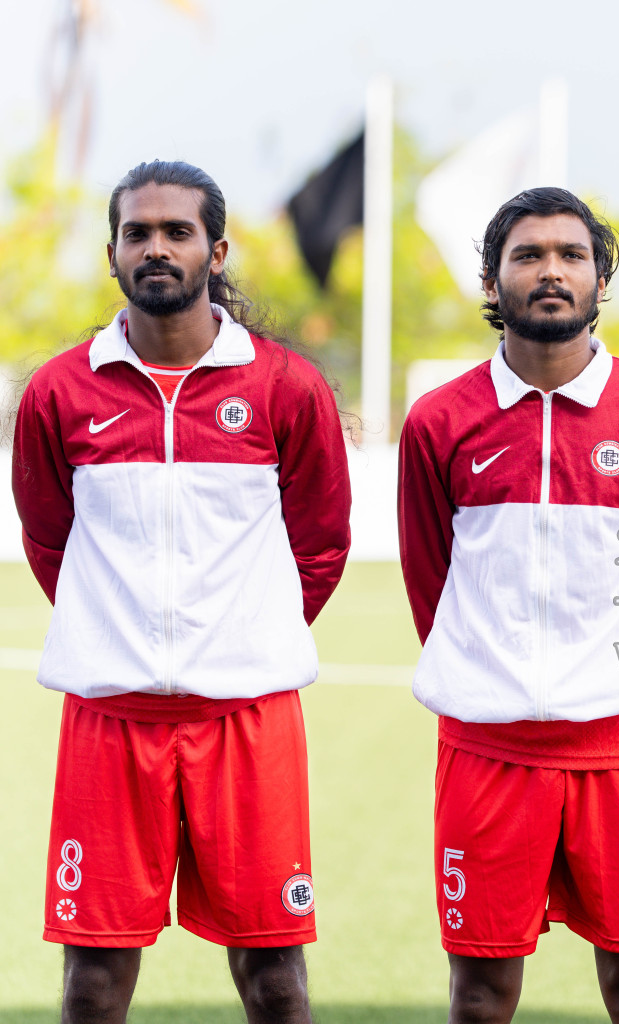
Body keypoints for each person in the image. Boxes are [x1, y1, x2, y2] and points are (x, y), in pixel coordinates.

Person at [11, 160, 352, 1024]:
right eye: (138, 233)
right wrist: (122, 635)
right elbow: (50, 540)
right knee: (91, 982)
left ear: (217, 249)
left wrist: (242, 637)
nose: (156, 248)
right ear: (113, 253)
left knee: (274, 978)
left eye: (177, 232)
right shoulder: (60, 391)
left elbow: (321, 542)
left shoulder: (286, 387)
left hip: (248, 720)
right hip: (110, 724)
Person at [397, 187, 619, 1024]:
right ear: (493, 285)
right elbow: (432, 579)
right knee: (482, 991)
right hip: (487, 745)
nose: (551, 271)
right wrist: (493, 667)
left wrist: (600, 663)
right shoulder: (439, 422)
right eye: (527, 255)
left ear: (601, 281)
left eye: (571, 255)